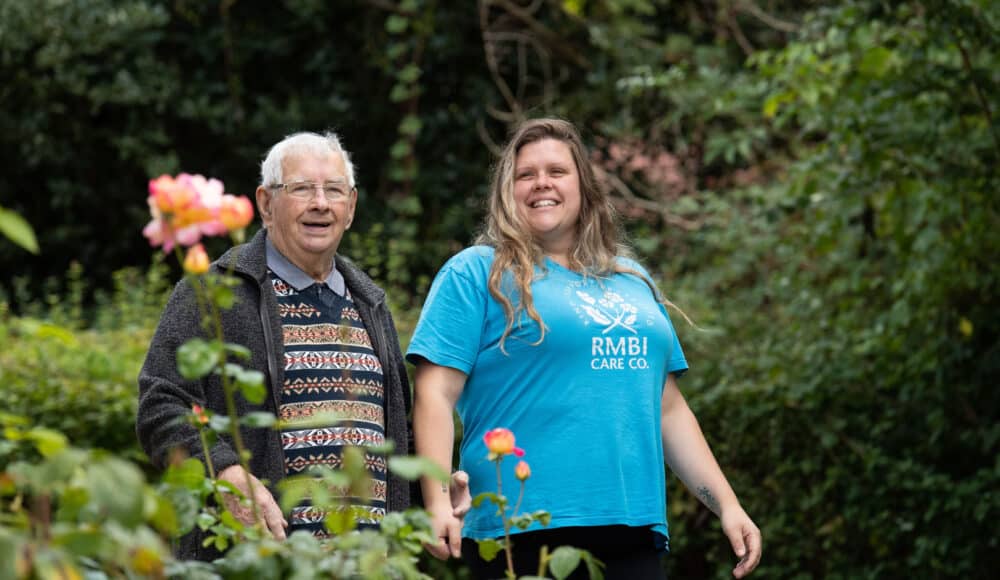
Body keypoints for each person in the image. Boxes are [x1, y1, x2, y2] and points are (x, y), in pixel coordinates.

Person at [407, 118, 762, 578]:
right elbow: (434, 393)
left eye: (557, 171)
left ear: (584, 186)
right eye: (525, 174)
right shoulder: (477, 272)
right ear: (506, 191)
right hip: (522, 526)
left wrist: (727, 505)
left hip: (633, 526)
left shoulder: (632, 280)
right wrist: (435, 501)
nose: (542, 184)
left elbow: (668, 409)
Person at [137, 131, 468, 561]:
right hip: (257, 562)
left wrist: (433, 494)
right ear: (265, 204)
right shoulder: (214, 293)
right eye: (301, 189)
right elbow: (161, 405)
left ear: (350, 208)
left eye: (333, 190)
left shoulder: (371, 303)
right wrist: (226, 472)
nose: (320, 203)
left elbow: (394, 435)